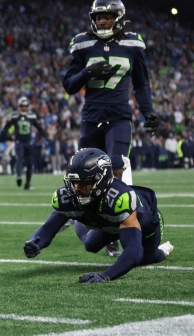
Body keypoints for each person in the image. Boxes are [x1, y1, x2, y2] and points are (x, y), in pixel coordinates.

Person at [61, 0, 160, 256]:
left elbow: (141, 84)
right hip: (91, 116)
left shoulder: (132, 43)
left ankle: (114, 229)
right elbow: (69, 85)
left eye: (107, 16)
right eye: (99, 16)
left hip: (118, 115)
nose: (102, 20)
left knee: (116, 164)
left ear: (118, 17)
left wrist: (148, 112)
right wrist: (87, 71)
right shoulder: (83, 42)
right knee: (84, 173)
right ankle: (80, 216)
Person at [23, 148, 174, 283]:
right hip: (108, 220)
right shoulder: (68, 195)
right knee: (90, 245)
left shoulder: (120, 198)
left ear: (101, 180)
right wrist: (35, 242)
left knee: (142, 259)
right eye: (74, 182)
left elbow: (133, 251)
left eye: (84, 183)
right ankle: (77, 218)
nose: (77, 188)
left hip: (145, 223)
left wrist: (106, 275)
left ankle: (163, 250)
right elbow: (49, 228)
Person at [0, 97, 48, 190]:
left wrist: (45, 135)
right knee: (20, 158)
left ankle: (27, 184)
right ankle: (19, 176)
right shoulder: (15, 116)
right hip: (19, 141)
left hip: (29, 142)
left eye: (25, 106)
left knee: (30, 163)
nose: (24, 108)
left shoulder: (31, 116)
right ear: (19, 107)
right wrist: (7, 135)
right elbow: (6, 127)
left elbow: (39, 127)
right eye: (22, 106)